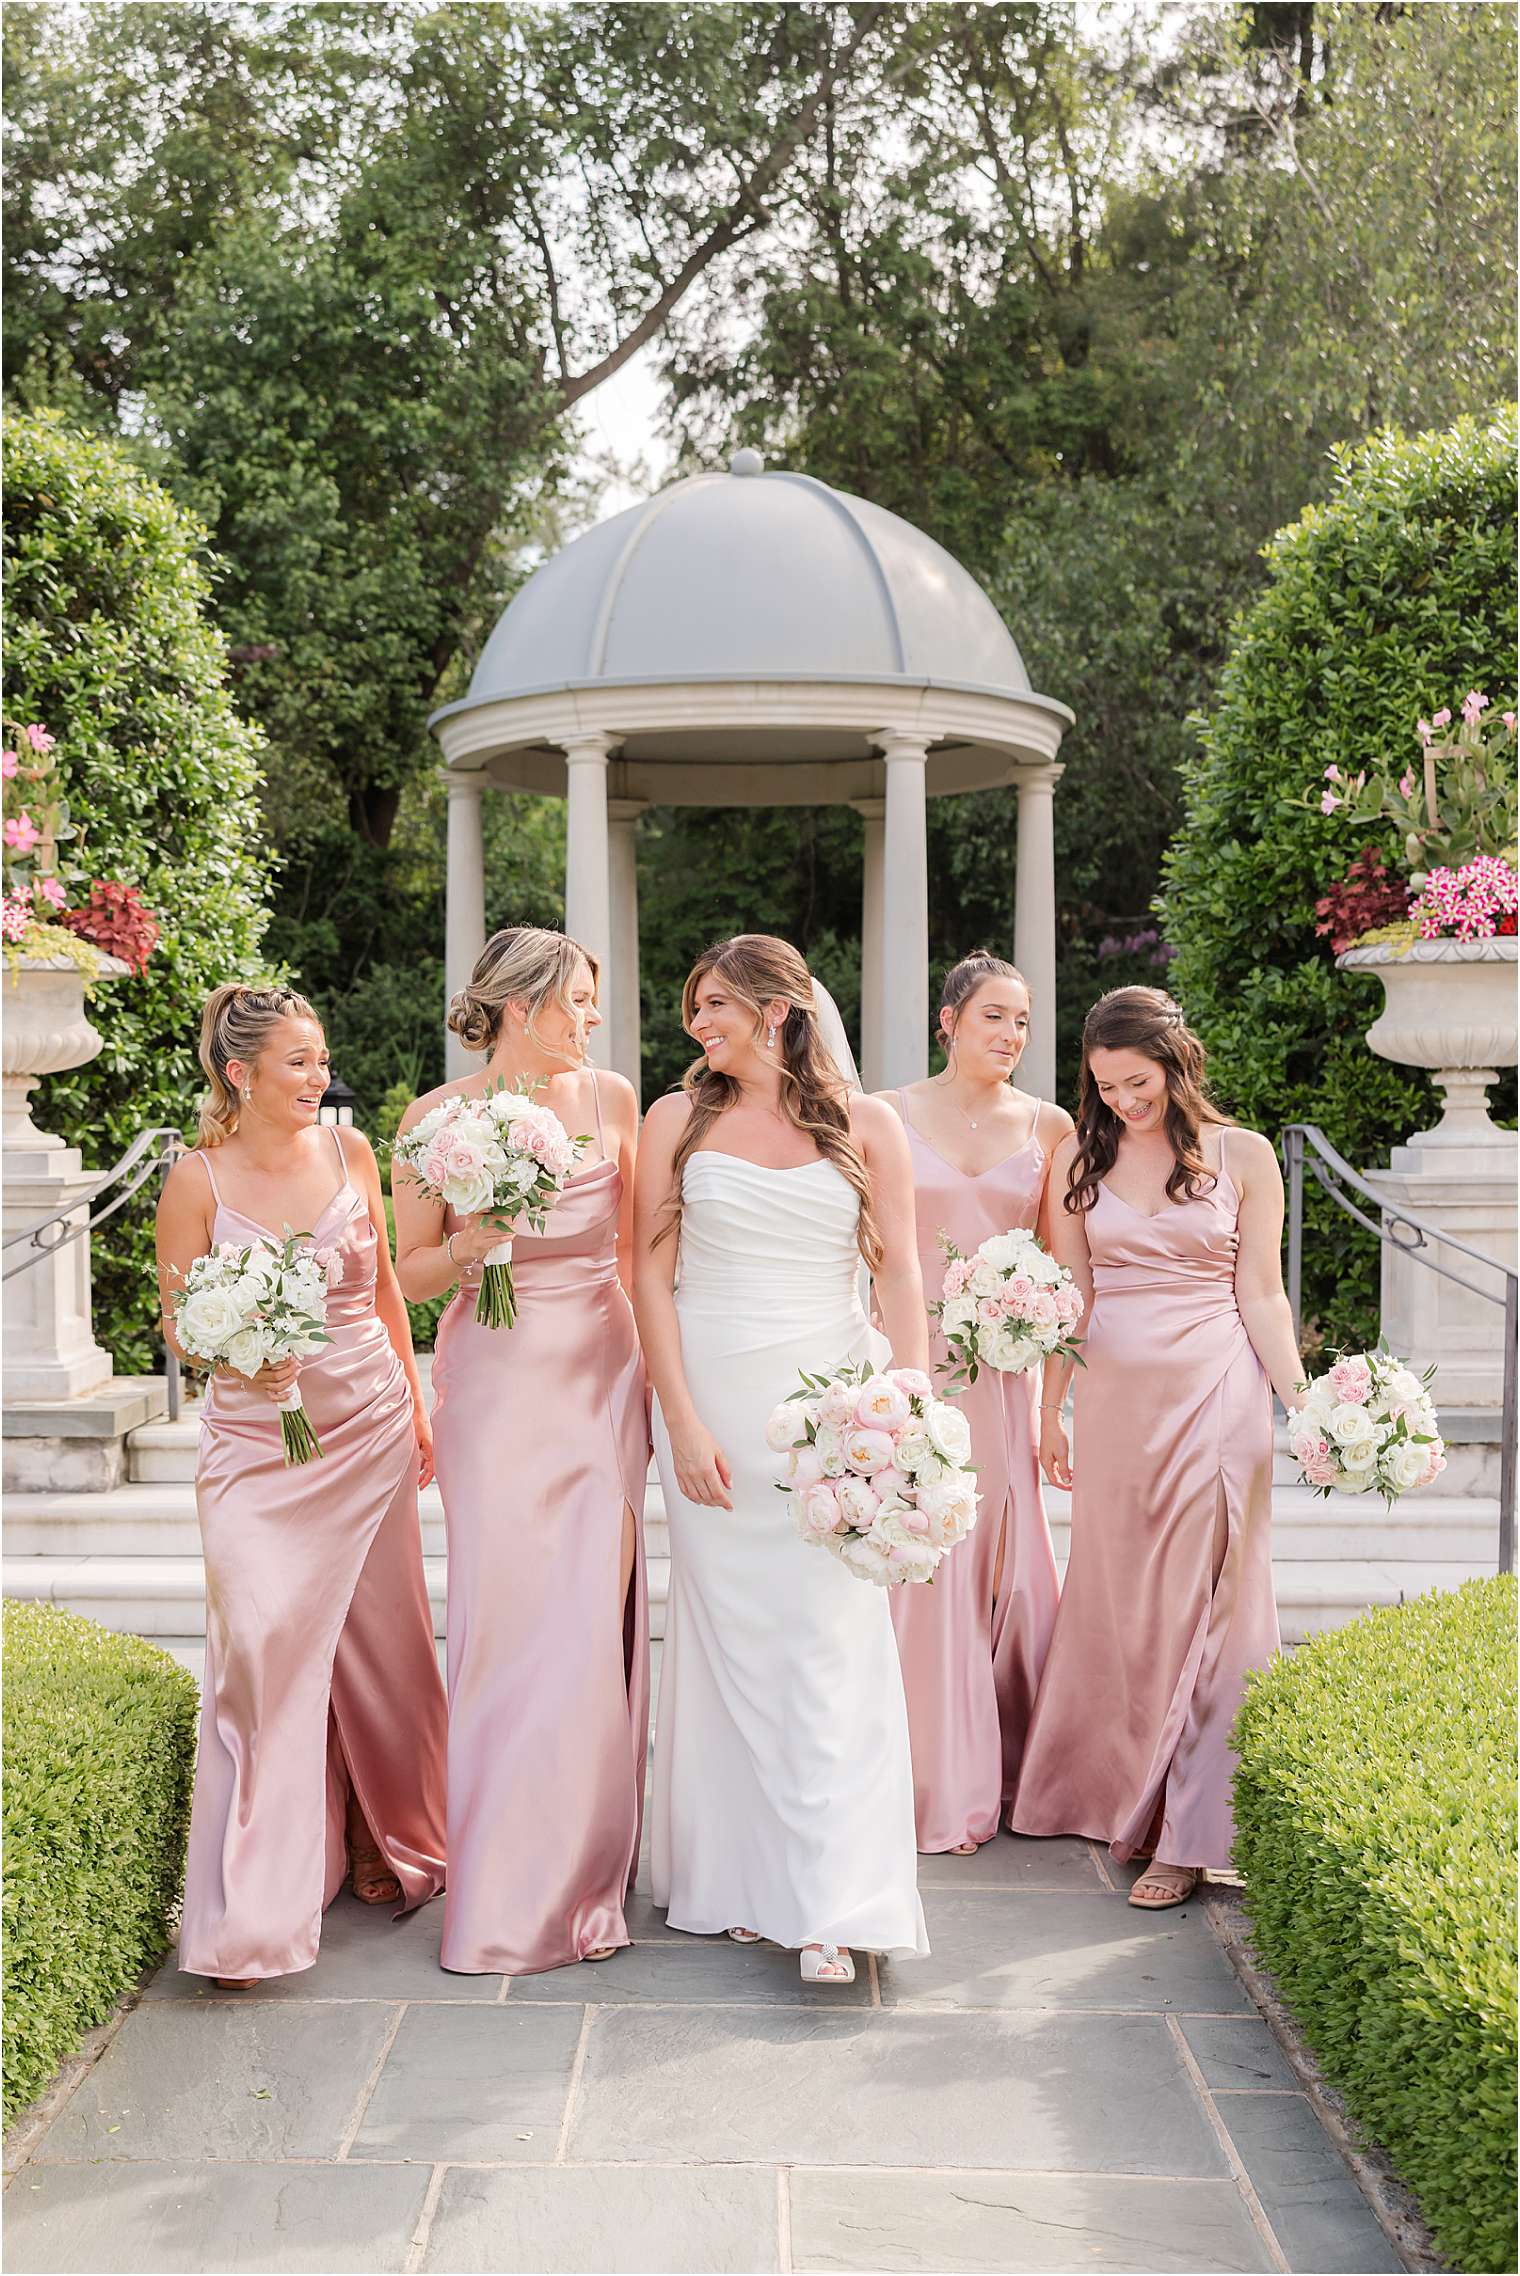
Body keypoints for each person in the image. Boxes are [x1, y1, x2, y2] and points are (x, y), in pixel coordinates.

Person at [634, 934, 929, 1986]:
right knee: (734, 1648)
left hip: (835, 1407)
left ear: (777, 1009)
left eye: (714, 1004)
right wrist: (680, 1417)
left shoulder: (868, 1123)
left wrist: (910, 1415)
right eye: (693, 1006)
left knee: (828, 1644)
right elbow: (648, 1277)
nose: (695, 1023)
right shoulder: (676, 1119)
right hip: (715, 1395)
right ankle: (744, 1879)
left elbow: (898, 1277)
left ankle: (831, 1898)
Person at [158, 984, 446, 1987]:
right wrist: (236, 1355)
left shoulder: (349, 1153)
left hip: (366, 1422)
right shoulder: (194, 1179)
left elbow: (378, 1295)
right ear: (239, 1073)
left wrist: (416, 1405)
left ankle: (382, 1832)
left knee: (384, 1640)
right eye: (297, 1061)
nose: (319, 1077)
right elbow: (178, 1322)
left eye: (321, 1059)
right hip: (255, 1445)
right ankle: (254, 1904)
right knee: (265, 1641)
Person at [1012, 986, 1303, 1907]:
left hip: (1219, 1393)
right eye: (1104, 1086)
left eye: (1135, 1082)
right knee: (1124, 1600)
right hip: (1114, 1405)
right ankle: (1116, 1796)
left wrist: (1306, 1404)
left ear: (1177, 1062)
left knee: (1214, 1599)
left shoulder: (1244, 1155)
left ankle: (1192, 1833)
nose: (1122, 1101)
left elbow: (1262, 1294)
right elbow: (1073, 1294)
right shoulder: (1075, 1157)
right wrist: (1050, 1409)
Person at [395, 927, 648, 1974]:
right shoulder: (431, 1119)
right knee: (503, 1619)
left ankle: (588, 1879)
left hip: (598, 1373)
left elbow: (635, 1253)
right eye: (577, 999)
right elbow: (408, 1275)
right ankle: (501, 1872)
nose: (591, 1017)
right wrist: (473, 1237)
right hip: (491, 1383)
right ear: (518, 1005)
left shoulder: (612, 1100)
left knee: (587, 1618)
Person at [879, 951, 1070, 1853]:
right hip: (907, 1364)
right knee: (924, 1567)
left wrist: (1047, 1404)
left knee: (1001, 1562)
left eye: (1023, 1022)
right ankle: (920, 1772)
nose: (1011, 1036)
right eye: (994, 1016)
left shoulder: (1051, 1125)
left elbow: (1064, 1271)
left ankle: (1012, 1766)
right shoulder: (885, 1114)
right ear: (948, 1020)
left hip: (998, 1375)